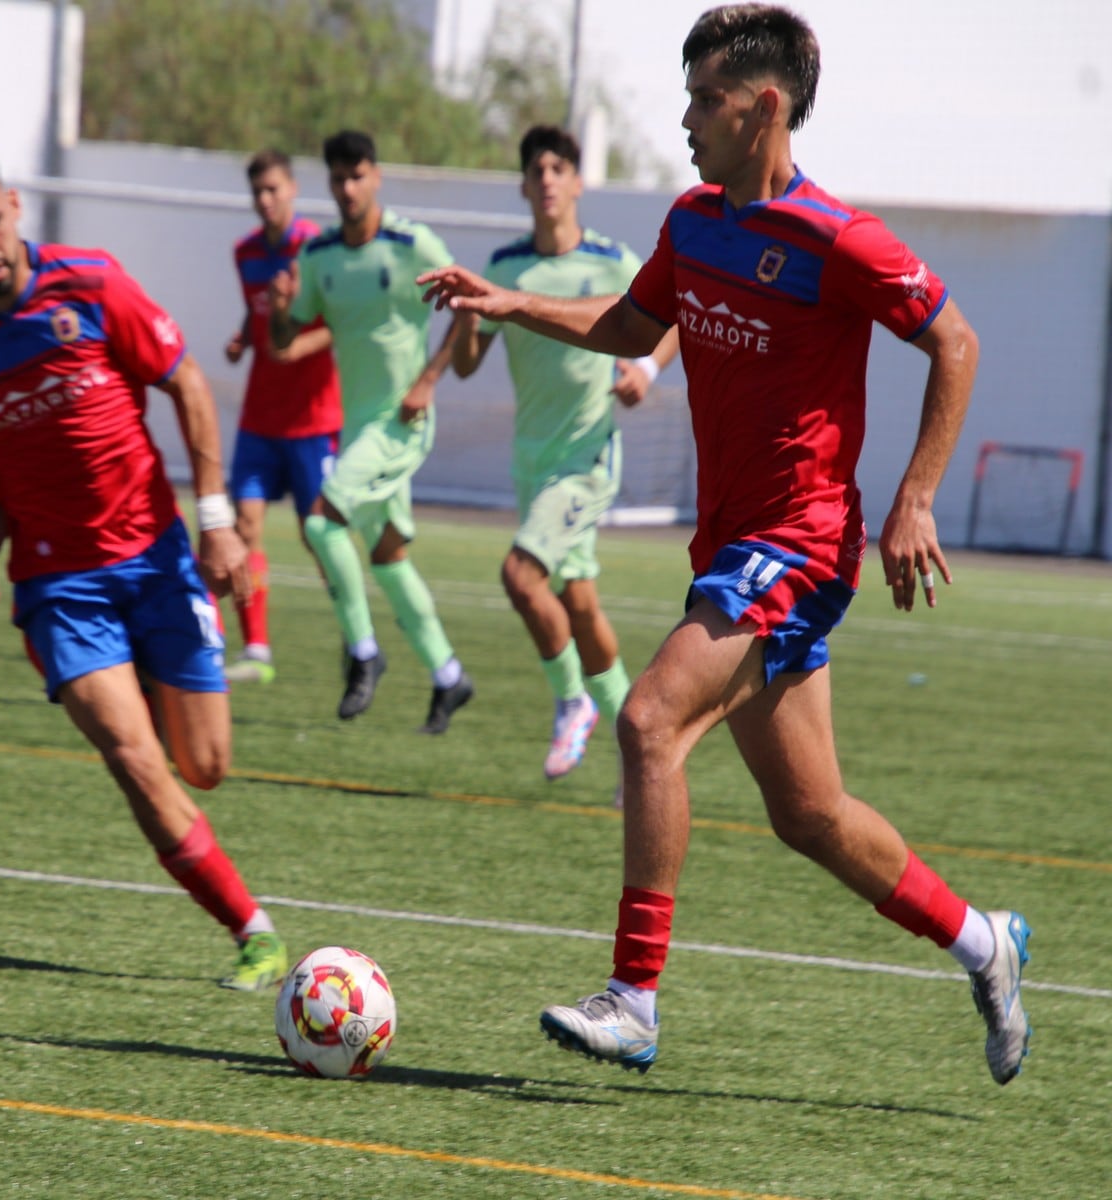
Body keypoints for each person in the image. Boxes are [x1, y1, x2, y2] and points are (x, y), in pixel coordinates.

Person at [419, 3, 1030, 1085]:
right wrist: (508, 299)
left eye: (704, 100)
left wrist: (915, 495)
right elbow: (629, 325)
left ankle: (634, 999)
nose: (686, 118)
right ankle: (986, 945)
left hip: (798, 544)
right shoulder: (694, 220)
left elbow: (954, 339)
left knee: (649, 720)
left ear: (763, 108)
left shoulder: (837, 239)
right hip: (729, 544)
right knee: (810, 815)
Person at [0, 144, 287, 992]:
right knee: (134, 758)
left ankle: (158, 700)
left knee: (205, 766)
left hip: (158, 558)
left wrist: (217, 523)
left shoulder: (91, 284)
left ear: (13, 206)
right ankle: (253, 932)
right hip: (59, 587)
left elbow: (189, 383)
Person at [452, 124, 678, 783]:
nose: (548, 179)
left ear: (578, 182)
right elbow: (468, 365)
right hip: (532, 463)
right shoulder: (504, 268)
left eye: (559, 167)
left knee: (520, 578)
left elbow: (675, 320)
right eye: (537, 169)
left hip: (585, 462)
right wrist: (466, 315)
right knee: (578, 605)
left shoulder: (612, 261)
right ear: (524, 186)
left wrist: (647, 371)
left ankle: (571, 701)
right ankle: (640, 755)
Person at [269, 130, 473, 734]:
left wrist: (430, 380)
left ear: (376, 177)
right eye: (338, 178)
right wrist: (280, 309)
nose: (348, 188)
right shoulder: (319, 257)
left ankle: (363, 652)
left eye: (357, 175)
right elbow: (284, 344)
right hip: (357, 429)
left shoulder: (412, 245)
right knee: (386, 559)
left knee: (317, 522)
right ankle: (448, 674)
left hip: (401, 424)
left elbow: (467, 305)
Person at [220, 149, 342, 684]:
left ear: (293, 189)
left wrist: (296, 348)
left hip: (313, 419)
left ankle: (355, 639)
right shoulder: (245, 252)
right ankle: (258, 651)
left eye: (274, 189)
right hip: (259, 417)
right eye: (258, 192)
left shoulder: (316, 248)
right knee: (244, 526)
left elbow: (340, 321)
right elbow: (257, 311)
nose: (266, 200)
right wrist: (244, 337)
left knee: (318, 535)